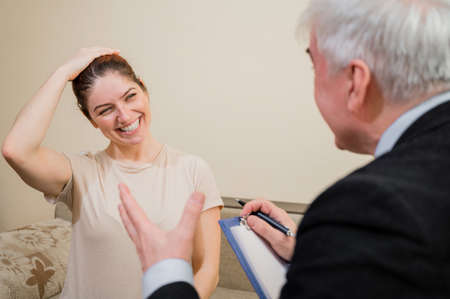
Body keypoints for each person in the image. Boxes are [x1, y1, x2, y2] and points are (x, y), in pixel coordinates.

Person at [117, 0, 450, 298]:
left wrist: (165, 272)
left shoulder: (364, 210)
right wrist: (308, 249)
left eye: (313, 66)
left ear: (355, 82)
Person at [1, 48, 223, 299]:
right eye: (105, 110)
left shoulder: (193, 170)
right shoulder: (81, 172)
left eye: (130, 96)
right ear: (91, 119)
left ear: (144, 90)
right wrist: (62, 73)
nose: (124, 116)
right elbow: (15, 150)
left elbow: (207, 271)